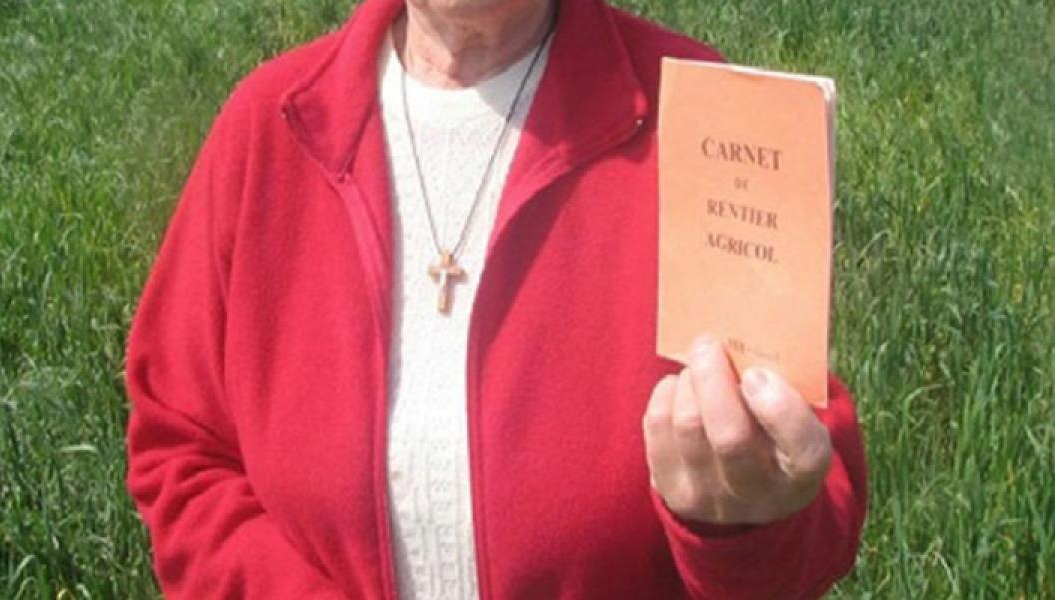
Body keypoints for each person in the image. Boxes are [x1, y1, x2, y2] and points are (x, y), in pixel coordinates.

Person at [123, 0, 868, 597]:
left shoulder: (706, 114)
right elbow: (182, 451)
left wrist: (746, 529)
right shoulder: (269, 126)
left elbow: (807, 506)